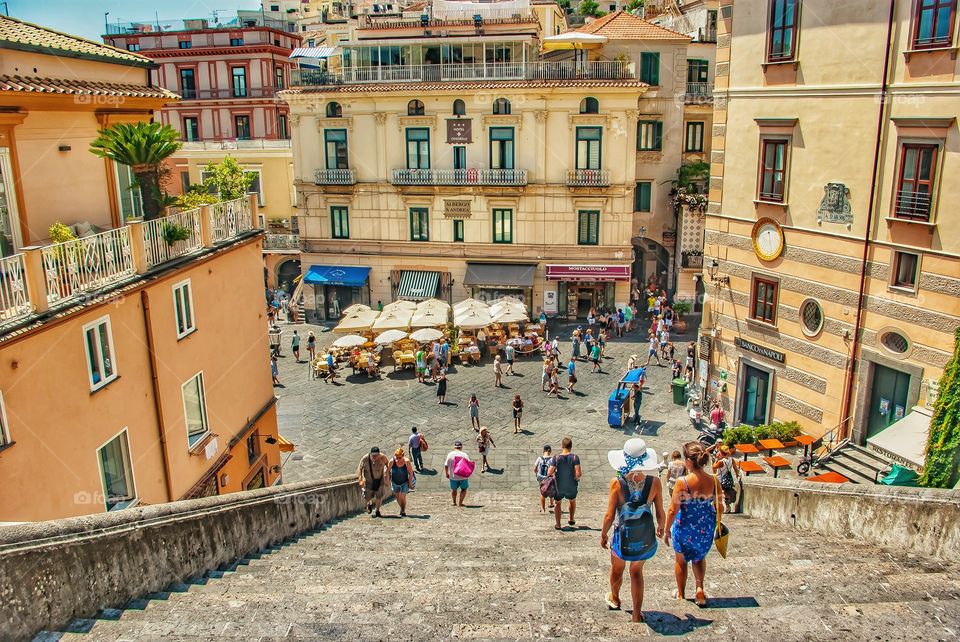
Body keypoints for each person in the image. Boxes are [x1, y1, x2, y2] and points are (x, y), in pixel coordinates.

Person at [601, 439, 665, 621]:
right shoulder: (655, 482)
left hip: (621, 536)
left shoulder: (617, 483)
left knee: (617, 569)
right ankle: (637, 614)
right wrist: (661, 527)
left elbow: (609, 515)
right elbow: (660, 511)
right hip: (645, 536)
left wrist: (604, 534)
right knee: (636, 572)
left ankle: (615, 598)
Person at [664, 441, 722, 607]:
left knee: (681, 561)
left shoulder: (683, 482)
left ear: (689, 462)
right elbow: (719, 507)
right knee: (699, 558)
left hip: (684, 528)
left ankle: (681, 594)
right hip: (705, 529)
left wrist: (667, 530)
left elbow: (672, 510)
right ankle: (699, 589)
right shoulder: (714, 481)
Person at [549, 437, 582, 530]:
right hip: (571, 485)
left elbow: (549, 472)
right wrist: (575, 477)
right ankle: (571, 518)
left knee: (557, 503)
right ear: (571, 446)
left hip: (559, 485)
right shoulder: (575, 457)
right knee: (572, 500)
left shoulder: (556, 458)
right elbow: (578, 474)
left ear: (562, 446)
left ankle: (558, 524)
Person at [357, 447, 390, 517]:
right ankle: (369, 504)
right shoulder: (365, 458)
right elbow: (360, 468)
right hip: (369, 481)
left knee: (379, 497)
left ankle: (377, 511)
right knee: (367, 496)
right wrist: (360, 478)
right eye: (373, 455)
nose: (374, 457)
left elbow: (388, 465)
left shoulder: (383, 457)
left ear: (379, 454)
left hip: (380, 481)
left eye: (376, 455)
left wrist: (386, 475)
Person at [713, 445, 741, 512]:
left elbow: (713, 467)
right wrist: (737, 475)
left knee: (718, 493)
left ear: (721, 453)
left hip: (720, 479)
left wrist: (716, 459)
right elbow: (735, 468)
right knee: (726, 492)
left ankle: (721, 507)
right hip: (728, 480)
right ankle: (727, 506)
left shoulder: (721, 461)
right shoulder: (731, 459)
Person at [444, 441, 471, 507]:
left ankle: (454, 502)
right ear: (461, 447)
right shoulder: (464, 454)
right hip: (463, 476)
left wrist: (447, 473)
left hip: (453, 476)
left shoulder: (450, 454)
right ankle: (460, 503)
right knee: (464, 489)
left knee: (454, 489)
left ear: (454, 447)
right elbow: (469, 464)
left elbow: (446, 465)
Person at [390, 447, 415, 517]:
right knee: (398, 497)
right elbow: (388, 471)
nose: (398, 459)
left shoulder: (406, 462)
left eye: (399, 457)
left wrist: (410, 483)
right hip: (395, 482)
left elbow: (410, 473)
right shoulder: (392, 461)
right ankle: (401, 508)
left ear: (403, 456)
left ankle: (403, 510)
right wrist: (387, 480)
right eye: (396, 457)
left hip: (404, 482)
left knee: (403, 496)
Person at [534, 445, 555, 512]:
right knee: (551, 489)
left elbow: (535, 469)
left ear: (543, 451)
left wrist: (536, 474)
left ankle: (543, 509)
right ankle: (551, 503)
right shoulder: (552, 460)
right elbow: (554, 470)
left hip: (540, 477)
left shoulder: (539, 458)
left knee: (542, 492)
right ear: (550, 451)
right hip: (548, 477)